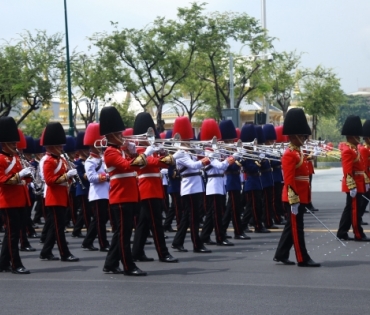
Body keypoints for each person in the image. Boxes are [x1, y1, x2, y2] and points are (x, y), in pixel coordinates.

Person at [100, 106, 147, 276]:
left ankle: (110, 263)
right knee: (123, 235)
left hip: (129, 195)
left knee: (122, 233)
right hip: (120, 197)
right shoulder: (110, 152)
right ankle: (128, 265)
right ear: (111, 135)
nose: (122, 136)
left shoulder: (120, 150)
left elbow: (137, 166)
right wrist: (138, 155)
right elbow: (127, 166)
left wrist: (134, 153)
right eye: (119, 134)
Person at [273, 108, 320, 267]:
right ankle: (302, 258)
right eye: (302, 136)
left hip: (300, 195)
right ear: (293, 136)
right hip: (293, 197)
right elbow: (289, 179)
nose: (304, 138)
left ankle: (281, 254)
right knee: (296, 229)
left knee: (290, 227)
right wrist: (294, 200)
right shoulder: (289, 154)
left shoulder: (298, 152)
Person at [131, 112, 178, 263]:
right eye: (147, 135)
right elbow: (150, 163)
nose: (150, 138)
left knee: (144, 224)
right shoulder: (138, 150)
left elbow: (165, 163)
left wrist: (163, 153)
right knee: (156, 223)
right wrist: (158, 155)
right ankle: (163, 253)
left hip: (155, 187)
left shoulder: (151, 149)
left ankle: (137, 252)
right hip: (147, 188)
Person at [39, 122, 79, 262]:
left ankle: (46, 251)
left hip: (62, 196)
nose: (62, 148)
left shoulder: (61, 159)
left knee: (55, 227)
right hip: (54, 197)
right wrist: (66, 176)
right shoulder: (48, 161)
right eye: (59, 146)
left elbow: (64, 180)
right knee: (58, 229)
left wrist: (70, 177)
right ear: (51, 146)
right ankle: (64, 253)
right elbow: (50, 180)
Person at [171, 116, 212, 253]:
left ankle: (178, 241)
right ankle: (197, 244)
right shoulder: (181, 153)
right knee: (193, 218)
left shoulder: (189, 152)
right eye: (187, 140)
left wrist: (206, 152)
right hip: (189, 188)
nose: (189, 142)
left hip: (195, 186)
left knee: (188, 217)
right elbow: (194, 166)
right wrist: (204, 161)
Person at [0, 116, 32, 274]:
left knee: (11, 233)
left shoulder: (16, 158)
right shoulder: (1, 159)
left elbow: (22, 178)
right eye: (12, 143)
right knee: (13, 235)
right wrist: (20, 176)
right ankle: (15, 264)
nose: (15, 145)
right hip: (8, 201)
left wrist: (28, 175)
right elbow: (3, 180)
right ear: (4, 143)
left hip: (19, 199)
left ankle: (3, 262)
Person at [336, 115, 370, 242]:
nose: (359, 138)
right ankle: (358, 233)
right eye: (357, 135)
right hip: (353, 183)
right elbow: (347, 171)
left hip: (358, 182)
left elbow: (362, 168)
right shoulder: (348, 151)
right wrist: (352, 186)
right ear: (351, 136)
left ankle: (342, 231)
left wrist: (365, 181)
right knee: (355, 210)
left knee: (349, 208)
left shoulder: (354, 149)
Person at [81, 123, 110, 252]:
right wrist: (106, 176)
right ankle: (103, 243)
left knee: (99, 220)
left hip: (106, 193)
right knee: (100, 221)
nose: (101, 146)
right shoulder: (90, 161)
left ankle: (87, 241)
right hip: (97, 194)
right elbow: (92, 178)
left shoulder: (103, 158)